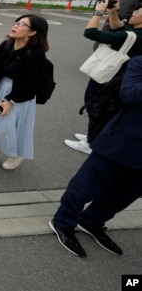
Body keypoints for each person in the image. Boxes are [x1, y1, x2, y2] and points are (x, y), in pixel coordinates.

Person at [49, 55, 142, 258]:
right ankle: (63, 221)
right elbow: (129, 95)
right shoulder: (139, 62)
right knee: (87, 185)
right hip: (123, 140)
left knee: (125, 195)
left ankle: (92, 221)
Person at [0, 14, 50, 170]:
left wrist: (10, 100)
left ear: (33, 32)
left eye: (22, 24)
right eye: (16, 22)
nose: (15, 26)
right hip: (0, 88)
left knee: (13, 126)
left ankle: (17, 155)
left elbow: (30, 84)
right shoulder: (7, 45)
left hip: (20, 95)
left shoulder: (35, 54)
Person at [64, 0, 142, 154]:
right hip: (120, 78)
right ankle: (93, 136)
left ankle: (91, 143)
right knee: (102, 108)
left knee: (95, 106)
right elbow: (119, 28)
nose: (133, 13)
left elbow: (90, 32)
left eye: (138, 12)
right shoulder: (136, 34)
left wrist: (98, 12)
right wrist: (112, 12)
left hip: (110, 78)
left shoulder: (135, 36)